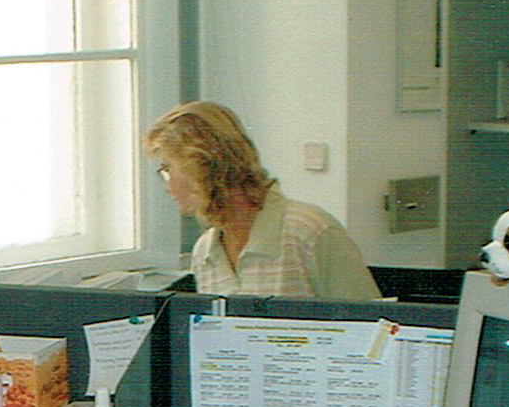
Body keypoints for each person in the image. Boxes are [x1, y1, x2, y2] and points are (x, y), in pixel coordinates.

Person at [142, 101, 380, 300]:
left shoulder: (308, 231)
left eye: (167, 168)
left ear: (200, 168)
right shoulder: (205, 252)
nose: (168, 186)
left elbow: (371, 331)